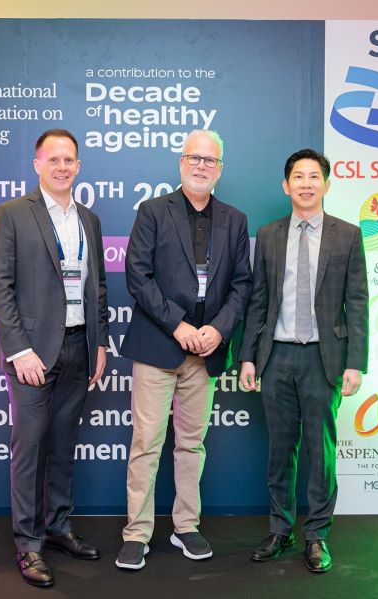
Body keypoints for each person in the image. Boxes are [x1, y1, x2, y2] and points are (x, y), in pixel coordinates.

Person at [116, 130, 252, 570]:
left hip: (206, 351)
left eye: (210, 160)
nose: (201, 166)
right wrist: (178, 325)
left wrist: (218, 329)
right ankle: (137, 533)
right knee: (146, 443)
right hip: (159, 346)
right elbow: (138, 276)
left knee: (192, 445)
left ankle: (186, 526)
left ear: (220, 169)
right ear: (181, 163)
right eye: (194, 158)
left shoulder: (234, 220)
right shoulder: (153, 211)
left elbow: (242, 285)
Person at [0, 129, 108, 588]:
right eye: (53, 159)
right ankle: (29, 543)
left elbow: (97, 287)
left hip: (79, 347)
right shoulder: (13, 213)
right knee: (30, 449)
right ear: (37, 165)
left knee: (63, 445)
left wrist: (99, 344)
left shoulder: (89, 220)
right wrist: (19, 350)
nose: (61, 167)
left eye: (69, 160)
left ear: (78, 166)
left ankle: (58, 526)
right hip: (31, 354)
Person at [238, 148, 368, 573]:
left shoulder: (347, 235)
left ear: (326, 185)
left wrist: (355, 363)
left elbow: (357, 302)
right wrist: (248, 357)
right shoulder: (269, 234)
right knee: (280, 449)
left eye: (314, 177)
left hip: (323, 358)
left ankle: (316, 535)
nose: (306, 184)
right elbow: (258, 300)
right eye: (298, 176)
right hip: (276, 356)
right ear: (286, 185)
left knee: (320, 449)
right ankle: (280, 529)